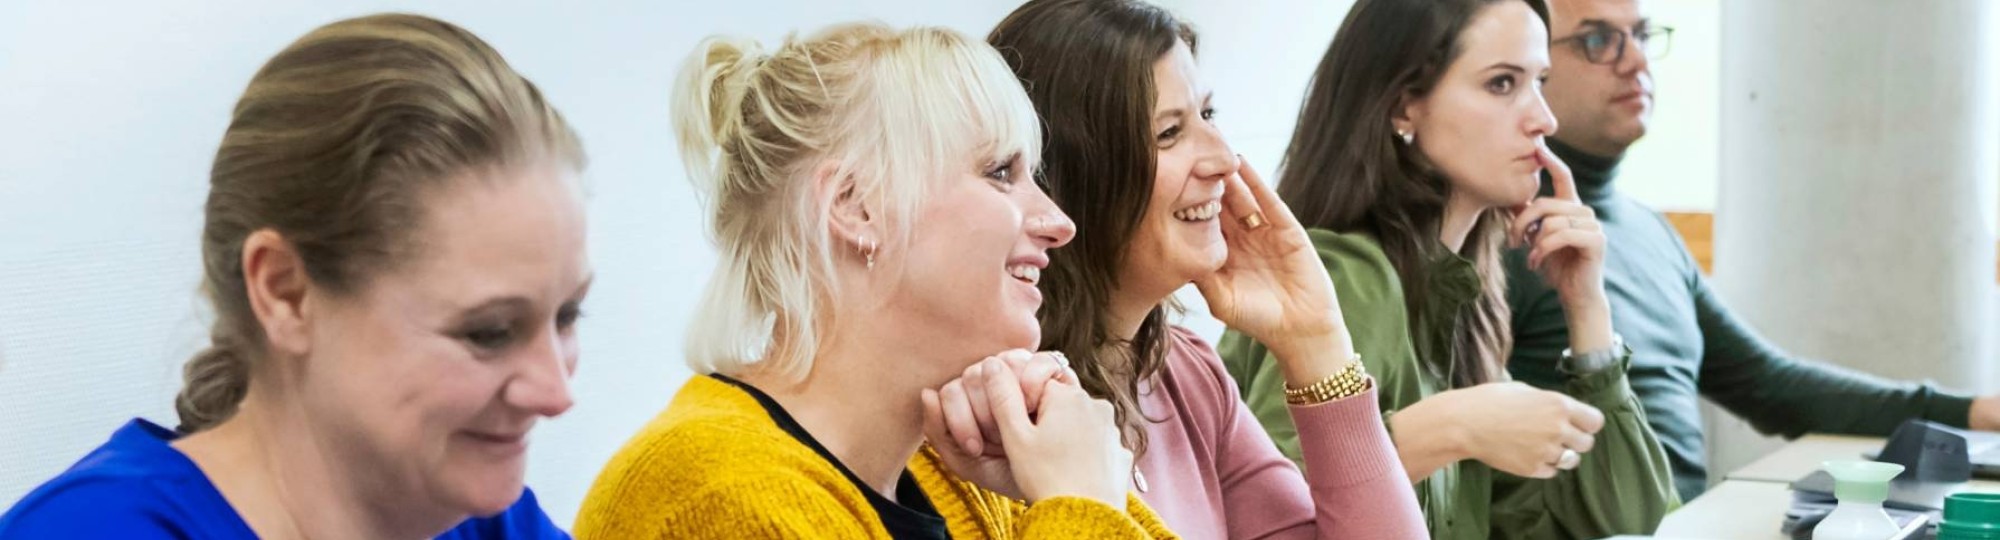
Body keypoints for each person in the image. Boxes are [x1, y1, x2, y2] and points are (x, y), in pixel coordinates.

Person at [572, 22, 1175, 539]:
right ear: (856, 207)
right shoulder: (717, 493)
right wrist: (1083, 507)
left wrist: (1072, 496)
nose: (1058, 223)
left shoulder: (956, 477)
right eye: (999, 172)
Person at [0, 13, 588, 539]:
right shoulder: (93, 530)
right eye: (488, 332)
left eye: (566, 315)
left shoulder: (488, 520)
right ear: (284, 292)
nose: (557, 393)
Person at [922, 1, 1426, 538]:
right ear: (1071, 176)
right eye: (1169, 133)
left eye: (1207, 115)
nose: (1223, 159)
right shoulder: (984, 407)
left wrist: (1317, 343)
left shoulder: (1185, 375)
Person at [1218, 0, 1681, 538]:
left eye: (1541, 81)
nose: (1544, 119)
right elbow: (1268, 512)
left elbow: (1624, 519)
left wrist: (1587, 309)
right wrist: (1453, 427)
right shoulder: (1351, 277)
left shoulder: (1463, 297)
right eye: (1503, 84)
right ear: (1403, 107)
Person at [1508, 0, 2000, 501]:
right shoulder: (1503, 237)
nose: (1636, 62)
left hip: (1686, 526)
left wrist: (1971, 412)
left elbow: (1768, 384)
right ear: (1527, 69)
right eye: (1598, 40)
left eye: (1642, 35)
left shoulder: (1647, 228)